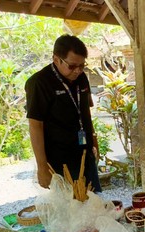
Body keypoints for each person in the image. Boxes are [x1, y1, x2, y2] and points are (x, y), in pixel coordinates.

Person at [25, 34, 101, 192]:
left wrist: (94, 140)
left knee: (92, 202)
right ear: (56, 59)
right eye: (72, 66)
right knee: (68, 208)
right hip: (59, 158)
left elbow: (85, 113)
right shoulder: (39, 83)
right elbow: (35, 125)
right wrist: (42, 166)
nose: (78, 71)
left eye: (82, 66)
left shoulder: (81, 78)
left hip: (84, 153)